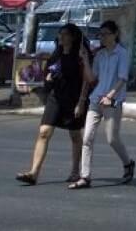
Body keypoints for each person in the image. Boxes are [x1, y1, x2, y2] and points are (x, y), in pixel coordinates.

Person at [16, 23, 93, 186]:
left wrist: (81, 101)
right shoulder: (56, 54)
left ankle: (74, 171)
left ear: (72, 36)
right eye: (60, 34)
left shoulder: (80, 55)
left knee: (74, 134)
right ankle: (34, 172)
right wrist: (48, 78)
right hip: (55, 97)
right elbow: (49, 72)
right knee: (44, 132)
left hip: (74, 98)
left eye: (65, 34)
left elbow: (87, 80)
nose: (61, 37)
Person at [69, 19, 135, 189]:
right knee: (87, 138)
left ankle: (128, 163)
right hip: (96, 99)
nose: (103, 38)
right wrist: (85, 59)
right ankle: (85, 176)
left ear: (115, 35)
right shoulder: (99, 55)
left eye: (106, 34)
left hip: (113, 101)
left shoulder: (122, 53)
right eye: (101, 34)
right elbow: (91, 78)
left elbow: (122, 78)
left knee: (112, 139)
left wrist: (110, 96)